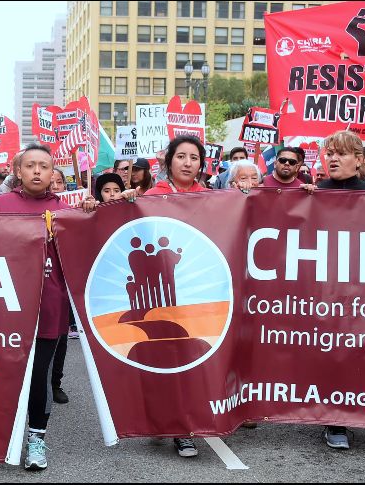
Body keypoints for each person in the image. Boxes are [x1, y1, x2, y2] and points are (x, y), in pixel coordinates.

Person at [0, 143, 94, 471]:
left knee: (37, 377)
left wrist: (93, 213)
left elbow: (88, 248)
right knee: (4, 373)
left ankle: (36, 440)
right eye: (30, 165)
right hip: (5, 308)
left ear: (52, 173)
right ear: (18, 171)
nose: (36, 171)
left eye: (43, 166)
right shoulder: (0, 205)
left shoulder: (67, 211)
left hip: (49, 307)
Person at [142, 134, 208, 458]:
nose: (187, 163)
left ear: (201, 163)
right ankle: (167, 422)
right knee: (164, 361)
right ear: (169, 161)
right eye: (181, 156)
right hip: (161, 295)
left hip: (197, 293)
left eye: (194, 158)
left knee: (193, 363)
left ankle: (185, 429)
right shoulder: (153, 197)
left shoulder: (212, 200)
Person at [314, 130, 365, 449]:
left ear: (359, 160)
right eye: (329, 152)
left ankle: (348, 413)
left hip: (363, 291)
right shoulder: (315, 192)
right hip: (323, 291)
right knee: (328, 351)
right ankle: (333, 419)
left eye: (341, 153)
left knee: (354, 352)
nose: (333, 158)